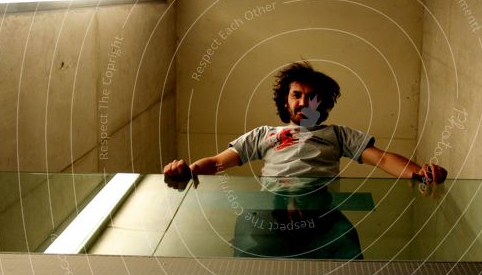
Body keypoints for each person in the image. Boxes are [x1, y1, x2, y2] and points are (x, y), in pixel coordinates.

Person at [163, 62, 447, 184]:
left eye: (312, 98)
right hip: (273, 211)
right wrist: (188, 171)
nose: (302, 102)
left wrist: (419, 173)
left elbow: (383, 159)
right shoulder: (264, 135)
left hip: (323, 211)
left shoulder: (338, 135)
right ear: (285, 101)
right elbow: (217, 162)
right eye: (296, 95)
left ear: (322, 105)